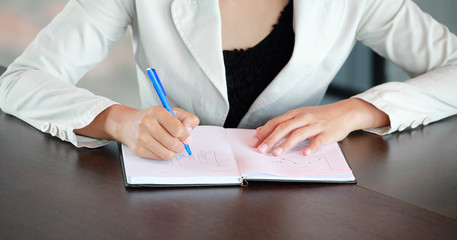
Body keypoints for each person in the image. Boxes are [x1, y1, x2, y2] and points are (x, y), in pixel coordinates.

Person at [0, 0, 456, 161]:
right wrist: (117, 120)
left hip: (299, 202)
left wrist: (358, 110)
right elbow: (20, 80)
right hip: (167, 203)